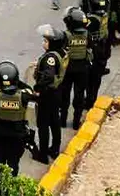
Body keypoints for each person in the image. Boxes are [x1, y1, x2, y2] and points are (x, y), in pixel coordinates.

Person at [0, 61, 36, 179]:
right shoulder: (24, 96)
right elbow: (29, 91)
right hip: (17, 135)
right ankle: (10, 187)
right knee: (13, 163)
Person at [32, 26, 67, 163]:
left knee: (43, 124)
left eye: (46, 41)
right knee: (55, 122)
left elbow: (48, 76)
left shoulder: (50, 58)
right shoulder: (61, 52)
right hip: (58, 93)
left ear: (52, 43)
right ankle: (55, 149)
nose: (43, 43)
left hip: (48, 94)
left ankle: (43, 154)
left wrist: (37, 88)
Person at [58, 7, 91, 129]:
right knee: (79, 95)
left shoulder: (65, 36)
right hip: (82, 69)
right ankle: (76, 122)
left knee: (64, 95)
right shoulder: (87, 34)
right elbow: (91, 48)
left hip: (67, 70)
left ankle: (62, 121)